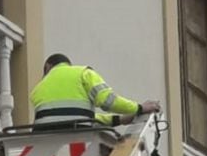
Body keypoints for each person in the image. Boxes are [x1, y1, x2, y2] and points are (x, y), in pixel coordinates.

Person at [30, 54, 159, 127]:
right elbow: (108, 101)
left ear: (48, 67)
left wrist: (118, 120)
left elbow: (67, 117)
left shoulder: (37, 89)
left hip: (44, 139)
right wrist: (139, 108)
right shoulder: (83, 73)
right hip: (80, 135)